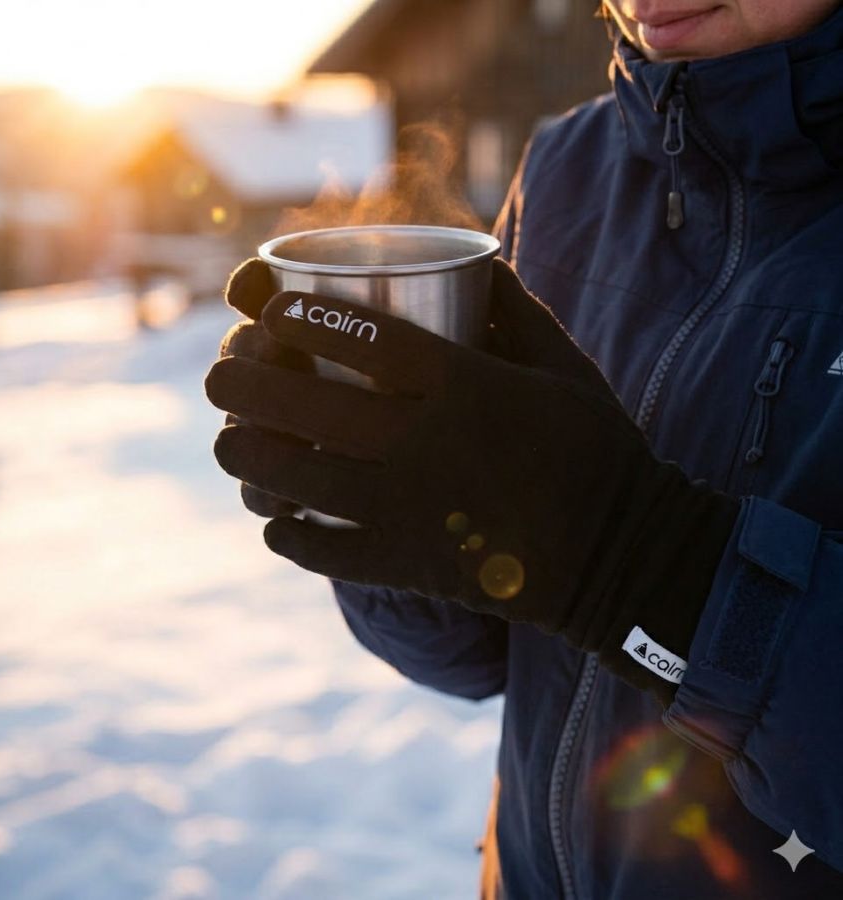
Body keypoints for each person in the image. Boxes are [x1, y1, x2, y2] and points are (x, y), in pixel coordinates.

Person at [205, 0, 843, 896]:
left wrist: (646, 568)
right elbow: (482, 657)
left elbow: (603, 564)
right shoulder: (573, 167)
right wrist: (382, 498)